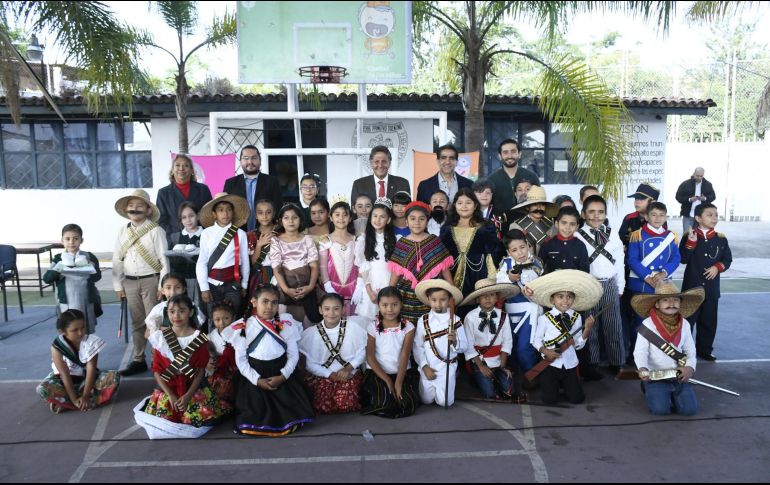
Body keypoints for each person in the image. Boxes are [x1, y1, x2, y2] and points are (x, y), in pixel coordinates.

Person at [139, 294, 230, 434]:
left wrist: (188, 396)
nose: (176, 315)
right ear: (167, 313)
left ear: (191, 312)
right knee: (164, 417)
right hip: (168, 388)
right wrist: (170, 394)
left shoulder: (199, 338)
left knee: (197, 417)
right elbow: (157, 370)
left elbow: (200, 372)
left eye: (182, 311)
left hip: (192, 388)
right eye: (172, 311)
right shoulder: (160, 338)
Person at [232, 285, 314, 436]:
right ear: (254, 302)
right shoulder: (243, 327)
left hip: (281, 374)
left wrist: (283, 376)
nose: (270, 307)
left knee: (291, 410)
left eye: (274, 302)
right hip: (255, 376)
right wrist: (257, 380)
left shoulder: (286, 325)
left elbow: (293, 355)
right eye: (265, 301)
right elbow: (241, 361)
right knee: (253, 414)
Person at [112, 189, 168, 376]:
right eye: (131, 206)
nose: (134, 209)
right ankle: (138, 359)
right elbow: (117, 259)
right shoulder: (122, 231)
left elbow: (163, 260)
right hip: (129, 281)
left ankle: (158, 358)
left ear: (148, 210)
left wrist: (162, 285)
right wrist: (118, 285)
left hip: (151, 280)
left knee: (154, 321)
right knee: (137, 322)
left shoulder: (156, 231)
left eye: (139, 206)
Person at [527, 270, 602, 404]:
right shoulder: (545, 318)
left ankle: (565, 386)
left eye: (569, 297)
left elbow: (578, 344)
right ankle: (553, 386)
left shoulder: (577, 317)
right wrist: (545, 351)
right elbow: (536, 340)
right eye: (560, 296)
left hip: (570, 363)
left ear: (574, 299)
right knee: (549, 400)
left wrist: (588, 329)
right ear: (552, 299)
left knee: (577, 399)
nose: (565, 301)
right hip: (550, 363)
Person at [631, 283, 704, 416]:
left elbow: (690, 351)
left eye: (676, 299)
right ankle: (647, 387)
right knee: (660, 410)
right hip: (656, 376)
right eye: (665, 299)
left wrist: (689, 368)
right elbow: (640, 352)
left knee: (689, 410)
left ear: (680, 303)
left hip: (679, 376)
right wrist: (642, 368)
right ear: (657, 304)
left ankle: (673, 394)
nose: (671, 303)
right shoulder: (647, 325)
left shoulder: (685, 324)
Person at [575, 195, 626, 374]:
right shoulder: (577, 235)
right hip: (589, 286)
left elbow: (619, 259)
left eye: (601, 212)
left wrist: (621, 285)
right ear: (583, 214)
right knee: (591, 324)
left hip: (610, 283)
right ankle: (593, 361)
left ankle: (616, 361)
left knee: (613, 325)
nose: (596, 216)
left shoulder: (612, 233)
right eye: (591, 212)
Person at [37, 310, 120, 413]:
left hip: (86, 381)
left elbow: (91, 370)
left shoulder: (91, 343)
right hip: (64, 381)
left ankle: (68, 403)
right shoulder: (57, 346)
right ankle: (80, 402)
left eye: (83, 328)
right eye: (75, 330)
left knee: (114, 377)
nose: (80, 333)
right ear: (62, 331)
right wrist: (74, 399)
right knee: (42, 389)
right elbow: (64, 374)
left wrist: (85, 396)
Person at [679, 203, 732, 361]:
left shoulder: (721, 239)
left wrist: (718, 267)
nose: (714, 218)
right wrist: (691, 243)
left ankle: (705, 349)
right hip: (692, 288)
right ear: (698, 218)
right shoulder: (689, 236)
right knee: (687, 322)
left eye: (716, 215)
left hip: (711, 289)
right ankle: (683, 351)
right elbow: (683, 259)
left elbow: (727, 259)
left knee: (709, 321)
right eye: (709, 215)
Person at [627, 201, 681, 356]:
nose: (658, 218)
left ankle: (657, 355)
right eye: (654, 215)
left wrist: (664, 273)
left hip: (663, 284)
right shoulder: (637, 235)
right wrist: (647, 276)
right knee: (641, 322)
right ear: (646, 216)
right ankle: (637, 354)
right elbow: (632, 260)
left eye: (661, 215)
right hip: (642, 285)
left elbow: (676, 258)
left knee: (662, 320)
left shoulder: (670, 237)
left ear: (665, 217)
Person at [299, 293, 368, 414]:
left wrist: (348, 368)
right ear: (320, 310)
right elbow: (310, 364)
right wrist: (329, 374)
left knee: (345, 404)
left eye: (336, 309)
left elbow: (363, 352)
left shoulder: (353, 328)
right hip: (324, 375)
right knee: (322, 406)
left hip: (348, 373)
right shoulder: (312, 334)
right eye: (327, 309)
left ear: (343, 309)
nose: (331, 313)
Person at [388, 201, 455, 324]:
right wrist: (389, 293)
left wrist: (452, 290)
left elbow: (444, 268)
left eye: (421, 219)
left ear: (427, 221)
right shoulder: (401, 244)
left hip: (431, 296)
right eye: (412, 219)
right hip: (406, 298)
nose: (417, 222)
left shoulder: (434, 241)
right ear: (406, 221)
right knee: (408, 330)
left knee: (429, 328)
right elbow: (396, 273)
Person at [496, 229, 544, 400]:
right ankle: (515, 377)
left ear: (528, 245)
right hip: (512, 312)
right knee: (513, 344)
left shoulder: (538, 263)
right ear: (508, 252)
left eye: (522, 247)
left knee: (527, 345)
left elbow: (546, 286)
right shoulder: (506, 265)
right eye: (514, 250)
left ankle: (531, 374)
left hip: (533, 312)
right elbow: (499, 283)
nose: (520, 252)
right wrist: (509, 278)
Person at [360, 287, 420, 419]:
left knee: (405, 402)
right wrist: (387, 380)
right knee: (383, 402)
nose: (390, 309)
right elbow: (370, 357)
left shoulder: (408, 327)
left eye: (394, 304)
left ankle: (399, 387)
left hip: (401, 372)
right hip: (378, 373)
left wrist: (398, 382)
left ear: (401, 304)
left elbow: (405, 355)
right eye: (385, 305)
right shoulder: (372, 327)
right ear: (378, 305)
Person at [440, 188, 502, 317]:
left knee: (478, 312)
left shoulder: (485, 226)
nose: (464, 206)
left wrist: (489, 274)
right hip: (452, 274)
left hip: (478, 274)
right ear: (454, 206)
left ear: (475, 205)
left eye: (468, 202)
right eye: (460, 202)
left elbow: (495, 250)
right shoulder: (446, 228)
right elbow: (442, 256)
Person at [619, 182, 662, 365]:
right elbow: (621, 243)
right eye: (636, 198)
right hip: (629, 276)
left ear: (652, 201)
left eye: (641, 198)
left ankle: (646, 354)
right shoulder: (629, 219)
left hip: (650, 281)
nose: (636, 201)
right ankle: (630, 354)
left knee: (646, 317)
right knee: (627, 315)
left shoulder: (660, 222)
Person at [460, 279, 518, 400]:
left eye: (491, 295)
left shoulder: (503, 315)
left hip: (498, 361)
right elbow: (469, 345)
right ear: (477, 299)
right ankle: (477, 377)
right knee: (490, 394)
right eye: (483, 296)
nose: (488, 298)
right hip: (480, 361)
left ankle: (495, 377)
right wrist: (481, 367)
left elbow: (507, 342)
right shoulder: (470, 317)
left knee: (509, 391)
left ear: (497, 297)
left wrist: (502, 367)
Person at [412, 280, 467, 407]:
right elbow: (418, 346)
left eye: (443, 299)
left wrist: (454, 342)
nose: (438, 304)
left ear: (449, 300)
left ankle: (451, 379)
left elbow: (464, 346)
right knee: (426, 400)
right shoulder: (423, 320)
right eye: (434, 300)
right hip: (428, 367)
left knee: (445, 402)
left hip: (446, 368)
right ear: (428, 299)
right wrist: (424, 367)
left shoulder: (456, 320)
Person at [196, 193, 250, 318]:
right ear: (214, 214)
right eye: (221, 210)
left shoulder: (240, 234)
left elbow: (245, 261)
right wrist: (204, 287)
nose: (225, 213)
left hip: (233, 284)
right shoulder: (206, 233)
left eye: (229, 210)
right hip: (212, 284)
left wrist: (244, 285)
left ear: (233, 212)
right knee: (214, 319)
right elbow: (202, 261)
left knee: (234, 317)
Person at [44, 224, 102, 334]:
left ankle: (88, 350)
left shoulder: (89, 256)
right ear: (62, 241)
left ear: (81, 240)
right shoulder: (58, 258)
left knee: (86, 330)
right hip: (66, 302)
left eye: (76, 238)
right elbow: (47, 279)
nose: (71, 242)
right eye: (67, 239)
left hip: (86, 300)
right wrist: (58, 267)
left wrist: (91, 266)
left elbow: (97, 277)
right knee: (68, 331)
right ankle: (69, 350)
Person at [270, 204, 322, 325]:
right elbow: (276, 268)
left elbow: (314, 266)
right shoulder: (276, 240)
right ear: (280, 221)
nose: (291, 221)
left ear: (301, 220)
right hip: (284, 285)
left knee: (314, 317)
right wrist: (286, 289)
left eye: (295, 217)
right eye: (286, 218)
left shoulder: (307, 239)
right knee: (281, 318)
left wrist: (309, 287)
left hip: (306, 284)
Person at [223, 145, 283, 231]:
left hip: (266, 234)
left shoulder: (272, 182)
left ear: (260, 160)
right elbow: (226, 209)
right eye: (246, 158)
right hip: (236, 234)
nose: (250, 161)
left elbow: (278, 208)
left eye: (254, 158)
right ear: (240, 161)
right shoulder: (230, 183)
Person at [319, 200, 363, 317]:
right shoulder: (326, 240)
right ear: (331, 218)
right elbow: (323, 267)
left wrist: (359, 286)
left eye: (345, 214)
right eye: (337, 214)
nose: (341, 218)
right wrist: (327, 285)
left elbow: (361, 265)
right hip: (332, 287)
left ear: (350, 218)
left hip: (353, 288)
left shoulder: (357, 240)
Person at [155, 153, 213, 242]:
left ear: (192, 170)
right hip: (175, 241)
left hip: (201, 239)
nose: (181, 168)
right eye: (177, 165)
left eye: (186, 165)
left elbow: (209, 215)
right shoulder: (163, 193)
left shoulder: (203, 190)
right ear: (172, 170)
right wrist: (173, 236)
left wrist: (203, 233)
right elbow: (161, 221)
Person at [354, 198, 396, 319]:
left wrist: (390, 289)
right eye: (375, 216)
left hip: (389, 285)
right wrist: (369, 291)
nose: (377, 220)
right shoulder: (363, 240)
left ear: (388, 220)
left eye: (382, 217)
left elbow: (396, 268)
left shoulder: (395, 240)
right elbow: (363, 268)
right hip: (370, 286)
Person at [487, 139, 541, 215]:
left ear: (519, 154)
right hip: (500, 225)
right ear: (500, 156)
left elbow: (539, 203)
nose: (509, 156)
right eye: (505, 152)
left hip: (527, 223)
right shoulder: (491, 180)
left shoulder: (531, 177)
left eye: (513, 151)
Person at [167, 201, 203, 306]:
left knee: (200, 309)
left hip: (200, 281)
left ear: (198, 216)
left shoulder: (205, 234)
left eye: (191, 216)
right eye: (184, 217)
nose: (188, 220)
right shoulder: (175, 237)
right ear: (180, 220)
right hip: (180, 283)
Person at [506, 186, 558, 256]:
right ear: (527, 207)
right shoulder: (516, 226)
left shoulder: (551, 226)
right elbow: (514, 251)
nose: (539, 208)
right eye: (535, 204)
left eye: (542, 204)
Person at [538, 206, 590, 275]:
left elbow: (585, 271)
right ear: (556, 224)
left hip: (574, 283)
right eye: (564, 223)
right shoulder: (547, 244)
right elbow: (538, 267)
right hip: (552, 283)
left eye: (572, 224)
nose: (567, 227)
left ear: (577, 227)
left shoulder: (580, 246)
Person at [206, 301, 239, 405]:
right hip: (218, 373)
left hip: (236, 370)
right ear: (212, 320)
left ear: (233, 318)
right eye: (217, 319)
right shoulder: (209, 337)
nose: (222, 323)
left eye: (226, 318)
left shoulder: (238, 334)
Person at [247, 199, 277, 298]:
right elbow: (253, 263)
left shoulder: (281, 233)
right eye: (260, 213)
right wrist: (259, 245)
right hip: (258, 275)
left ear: (273, 214)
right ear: (255, 215)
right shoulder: (250, 235)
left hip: (278, 274)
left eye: (268, 212)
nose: (264, 216)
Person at [675, 167, 715, 235]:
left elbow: (713, 196)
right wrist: (689, 199)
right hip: (688, 214)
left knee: (701, 235)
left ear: (703, 175)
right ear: (693, 174)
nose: (699, 178)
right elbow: (678, 197)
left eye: (701, 176)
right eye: (697, 176)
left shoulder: (708, 184)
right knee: (687, 235)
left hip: (702, 215)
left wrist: (704, 198)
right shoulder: (685, 184)